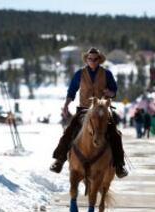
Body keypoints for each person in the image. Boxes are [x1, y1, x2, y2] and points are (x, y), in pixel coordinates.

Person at [50, 47, 128, 178]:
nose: (92, 61)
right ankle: (59, 160)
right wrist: (66, 104)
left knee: (115, 134)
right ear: (86, 59)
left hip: (102, 110)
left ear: (99, 60)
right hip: (84, 110)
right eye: (89, 59)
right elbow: (71, 91)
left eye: (95, 59)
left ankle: (119, 165)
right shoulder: (79, 74)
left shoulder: (107, 74)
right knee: (69, 131)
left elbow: (114, 90)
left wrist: (110, 93)